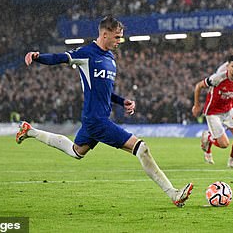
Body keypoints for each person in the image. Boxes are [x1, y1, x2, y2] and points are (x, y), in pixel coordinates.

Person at [16, 16, 193, 207]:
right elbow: (60, 57)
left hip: (95, 118)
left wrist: (121, 101)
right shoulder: (87, 53)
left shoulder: (110, 58)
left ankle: (30, 131)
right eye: (117, 37)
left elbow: (105, 91)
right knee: (141, 148)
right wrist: (38, 57)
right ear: (104, 34)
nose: (119, 41)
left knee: (77, 152)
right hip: (96, 120)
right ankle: (173, 193)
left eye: (121, 38)